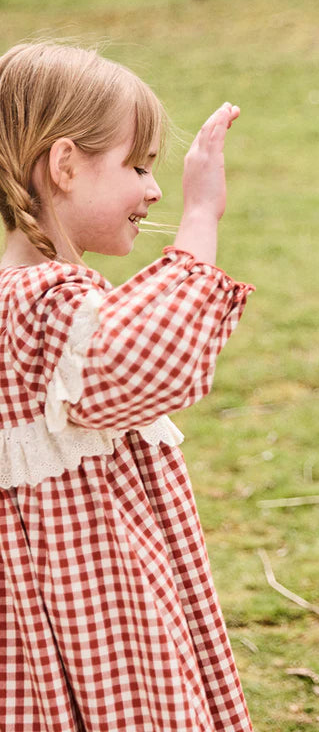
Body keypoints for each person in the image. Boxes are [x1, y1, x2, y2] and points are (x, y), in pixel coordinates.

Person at [0, 42, 253, 730]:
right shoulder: (46, 302)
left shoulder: (46, 299)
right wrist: (202, 219)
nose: (155, 189)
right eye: (137, 166)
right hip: (93, 610)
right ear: (64, 165)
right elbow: (152, 356)